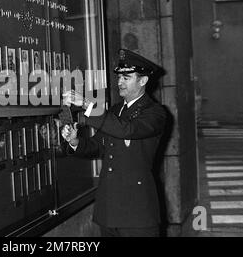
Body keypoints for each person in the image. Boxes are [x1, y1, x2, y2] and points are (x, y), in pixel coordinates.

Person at [61, 49, 166, 237]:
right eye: (119, 77)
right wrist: (75, 141)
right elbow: (98, 146)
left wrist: (87, 104)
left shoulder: (155, 113)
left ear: (143, 81)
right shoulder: (116, 111)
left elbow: (128, 129)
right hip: (109, 209)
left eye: (127, 78)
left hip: (137, 212)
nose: (119, 82)